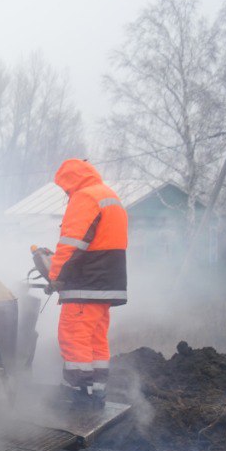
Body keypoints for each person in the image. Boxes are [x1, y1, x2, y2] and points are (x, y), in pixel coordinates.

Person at [46, 159, 128, 404]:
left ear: (71, 180)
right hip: (105, 286)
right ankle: (97, 392)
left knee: (74, 337)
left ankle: (77, 395)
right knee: (95, 340)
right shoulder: (109, 196)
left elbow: (72, 243)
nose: (65, 193)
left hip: (85, 284)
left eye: (65, 187)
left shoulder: (85, 198)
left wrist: (55, 277)